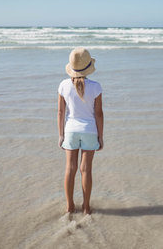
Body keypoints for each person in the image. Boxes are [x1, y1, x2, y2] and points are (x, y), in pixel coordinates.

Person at [58, 47, 104, 215]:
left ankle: (70, 206)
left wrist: (61, 135)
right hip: (90, 131)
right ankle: (86, 207)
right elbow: (98, 114)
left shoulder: (63, 85)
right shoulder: (96, 87)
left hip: (70, 130)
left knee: (70, 169)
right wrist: (101, 136)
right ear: (88, 67)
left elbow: (61, 112)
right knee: (86, 170)